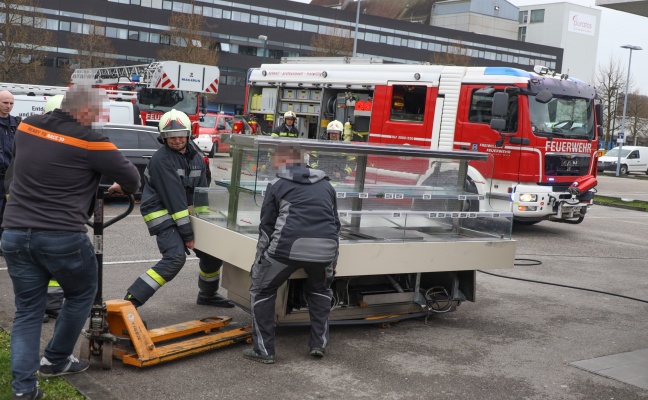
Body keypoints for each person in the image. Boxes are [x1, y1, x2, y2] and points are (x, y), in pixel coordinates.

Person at [2, 83, 140, 400]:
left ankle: (24, 391)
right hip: (61, 234)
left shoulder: (26, 125)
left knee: (27, 313)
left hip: (14, 232)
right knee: (81, 294)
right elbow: (133, 180)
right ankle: (56, 359)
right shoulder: (92, 140)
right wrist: (116, 184)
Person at [123, 109, 234, 309]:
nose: (176, 140)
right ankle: (131, 301)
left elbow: (201, 193)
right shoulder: (161, 160)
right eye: (170, 136)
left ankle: (207, 295)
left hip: (185, 213)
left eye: (180, 135)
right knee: (175, 258)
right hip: (162, 214)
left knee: (212, 254)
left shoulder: (197, 157)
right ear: (164, 138)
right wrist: (188, 235)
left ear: (188, 134)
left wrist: (206, 220)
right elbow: (174, 201)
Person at [243, 142, 340, 364]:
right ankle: (319, 344)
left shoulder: (277, 185)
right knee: (320, 291)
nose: (272, 163)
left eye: (275, 159)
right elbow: (335, 225)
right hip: (325, 250)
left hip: (286, 249)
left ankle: (264, 350)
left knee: (261, 290)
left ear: (285, 161)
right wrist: (332, 261)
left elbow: (266, 228)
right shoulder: (327, 185)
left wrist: (260, 261)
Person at [0, 90, 19, 256]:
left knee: (8, 213)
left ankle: (4, 245)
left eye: (11, 103)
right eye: (5, 103)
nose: (8, 106)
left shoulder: (16, 123)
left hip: (11, 177)